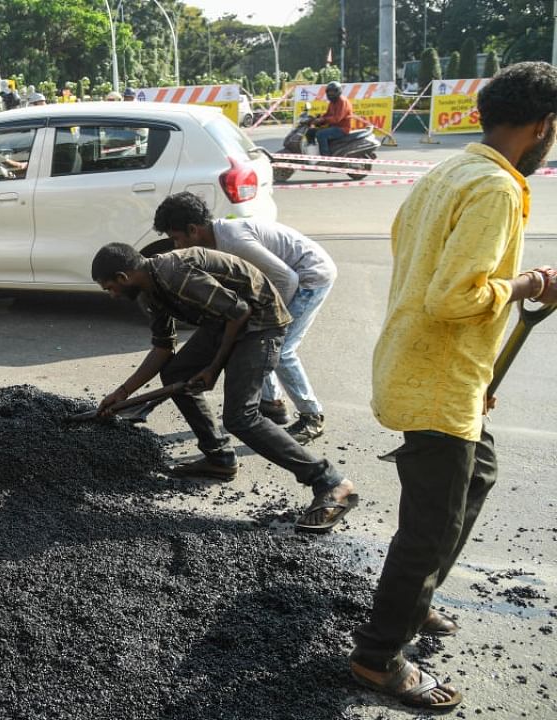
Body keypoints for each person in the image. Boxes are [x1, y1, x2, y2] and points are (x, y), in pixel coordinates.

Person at [349, 61, 557, 712]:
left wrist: (477, 370)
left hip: (429, 367)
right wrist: (531, 285)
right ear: (543, 126)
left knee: (478, 474)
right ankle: (378, 658)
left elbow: (415, 260)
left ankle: (421, 596)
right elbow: (453, 297)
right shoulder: (495, 188)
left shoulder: (449, 170)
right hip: (437, 378)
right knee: (429, 527)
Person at [91, 243, 357, 533]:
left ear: (122, 276)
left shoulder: (174, 273)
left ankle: (330, 481)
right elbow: (163, 347)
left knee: (241, 417)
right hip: (223, 322)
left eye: (110, 288)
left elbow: (240, 311)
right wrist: (123, 393)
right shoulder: (148, 294)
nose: (112, 295)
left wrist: (214, 367)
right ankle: (219, 457)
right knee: (176, 372)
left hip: (259, 322)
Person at [154, 192, 337, 443]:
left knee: (279, 348)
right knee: (260, 340)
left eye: (176, 239)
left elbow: (287, 279)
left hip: (309, 276)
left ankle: (312, 416)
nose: (176, 247)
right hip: (287, 279)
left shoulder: (234, 240)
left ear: (193, 230)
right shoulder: (214, 240)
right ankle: (271, 403)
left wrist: (271, 319)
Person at [312, 81, 354, 156]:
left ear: (338, 91)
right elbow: (327, 114)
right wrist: (318, 119)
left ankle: (326, 157)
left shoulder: (342, 101)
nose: (331, 94)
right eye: (329, 92)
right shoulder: (332, 102)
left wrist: (323, 120)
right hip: (334, 126)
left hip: (342, 128)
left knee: (321, 134)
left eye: (333, 92)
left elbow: (337, 118)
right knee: (312, 131)